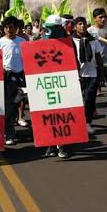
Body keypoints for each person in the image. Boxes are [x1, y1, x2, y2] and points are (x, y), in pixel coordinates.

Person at [41, 15, 71, 159]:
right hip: (46, 85)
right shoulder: (40, 43)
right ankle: (50, 144)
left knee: (62, 114)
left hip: (62, 84)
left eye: (51, 28)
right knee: (47, 115)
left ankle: (62, 145)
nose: (48, 31)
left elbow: (73, 62)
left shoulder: (68, 44)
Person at [0, 16, 26, 146]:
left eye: (11, 27)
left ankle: (9, 133)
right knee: (7, 106)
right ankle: (7, 133)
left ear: (16, 28)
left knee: (13, 107)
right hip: (4, 79)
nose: (9, 30)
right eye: (6, 28)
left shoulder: (22, 42)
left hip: (19, 78)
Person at [71, 17, 102, 136]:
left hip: (92, 74)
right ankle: (77, 123)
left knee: (89, 99)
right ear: (74, 27)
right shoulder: (71, 41)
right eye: (79, 24)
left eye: (83, 24)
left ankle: (88, 122)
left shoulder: (93, 40)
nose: (82, 26)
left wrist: (101, 74)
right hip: (77, 75)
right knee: (77, 100)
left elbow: (98, 57)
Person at [88, 8, 107, 121]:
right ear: (95, 19)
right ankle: (93, 109)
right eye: (100, 17)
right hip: (94, 65)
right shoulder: (89, 31)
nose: (103, 19)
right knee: (93, 89)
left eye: (104, 16)